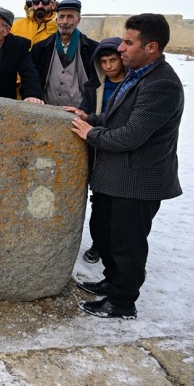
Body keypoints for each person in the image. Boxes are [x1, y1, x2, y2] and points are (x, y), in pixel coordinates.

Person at [65, 14, 184, 319]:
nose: (120, 49)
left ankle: (122, 302)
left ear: (152, 47)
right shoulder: (140, 75)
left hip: (138, 182)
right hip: (117, 177)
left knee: (127, 244)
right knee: (107, 234)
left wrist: (91, 134)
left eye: (129, 43)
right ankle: (112, 282)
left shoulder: (163, 84)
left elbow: (131, 135)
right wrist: (90, 117)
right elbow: (119, 117)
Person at [76, 37, 125, 264]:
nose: (108, 66)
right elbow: (89, 113)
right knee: (100, 202)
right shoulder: (94, 86)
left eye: (113, 60)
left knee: (122, 207)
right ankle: (99, 244)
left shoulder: (133, 86)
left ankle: (121, 252)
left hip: (122, 147)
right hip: (98, 146)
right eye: (103, 61)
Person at [31, 0, 98, 106]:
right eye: (61, 17)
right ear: (56, 20)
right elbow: (32, 80)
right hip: (46, 109)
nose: (65, 21)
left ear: (78, 20)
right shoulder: (40, 48)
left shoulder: (93, 49)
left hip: (79, 113)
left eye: (70, 17)